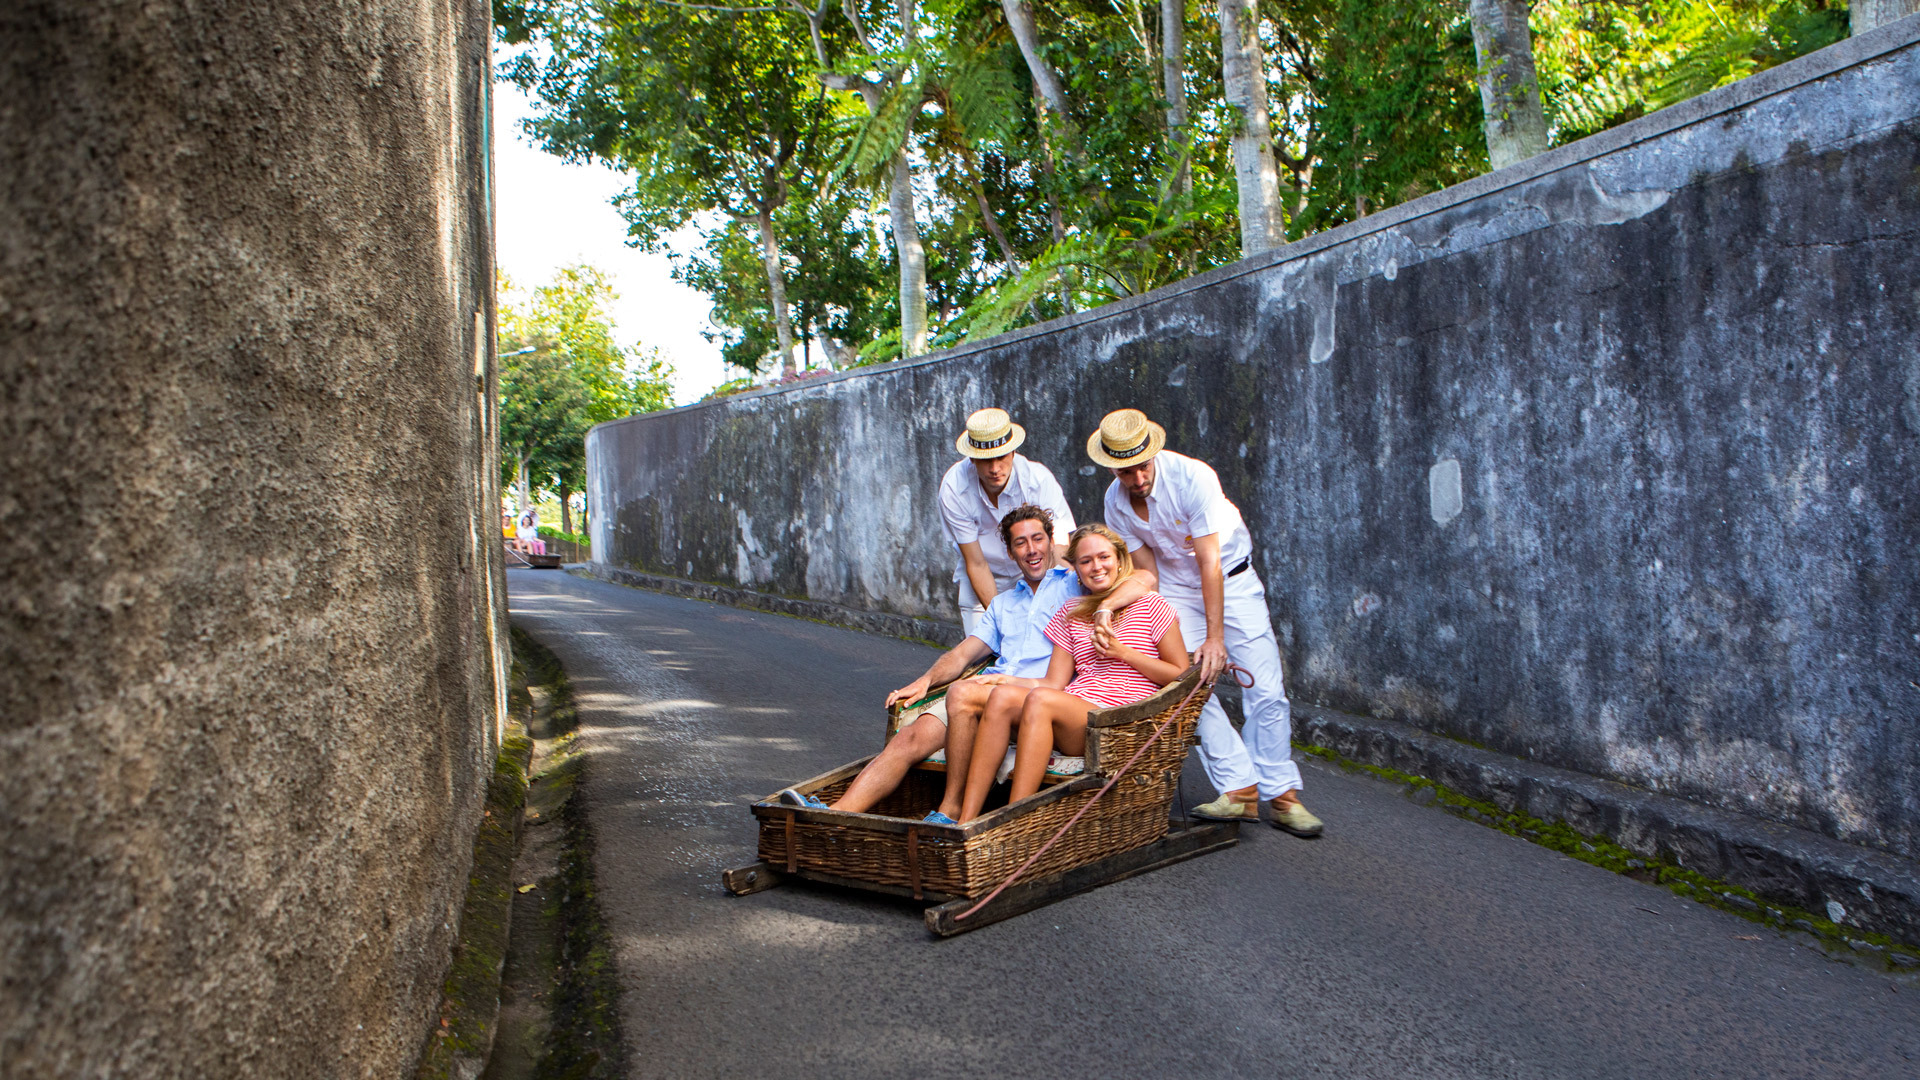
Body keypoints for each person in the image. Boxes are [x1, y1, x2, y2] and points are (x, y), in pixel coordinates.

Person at [778, 506, 1154, 823]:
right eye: (1020, 543)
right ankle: (833, 816)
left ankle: (952, 809)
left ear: (1051, 542)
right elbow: (962, 655)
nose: (1031, 549)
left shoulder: (1074, 585)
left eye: (1038, 539)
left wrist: (1104, 607)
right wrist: (925, 681)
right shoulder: (1004, 603)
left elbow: (1142, 577)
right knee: (909, 737)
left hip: (1031, 696)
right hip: (985, 692)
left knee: (961, 693)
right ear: (1010, 552)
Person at [1088, 408, 1324, 837]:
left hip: (1230, 580)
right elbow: (1148, 575)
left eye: (1141, 466)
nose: (1137, 479)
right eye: (1125, 471)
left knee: (1266, 688)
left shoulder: (1193, 477)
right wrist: (1107, 606)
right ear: (1111, 466)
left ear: (1152, 452)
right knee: (1184, 683)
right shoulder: (1114, 503)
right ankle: (1239, 788)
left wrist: (1215, 638)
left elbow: (1209, 562)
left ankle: (1284, 797)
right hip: (1176, 592)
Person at [954, 524, 1190, 821]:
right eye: (1085, 561)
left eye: (1103, 557)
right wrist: (1007, 680)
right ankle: (966, 821)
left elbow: (1181, 675)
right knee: (1001, 696)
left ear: (1119, 559)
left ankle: (1013, 821)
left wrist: (1123, 653)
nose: (1096, 566)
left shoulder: (1152, 605)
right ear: (1076, 570)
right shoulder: (1072, 610)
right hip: (1074, 715)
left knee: (1040, 700)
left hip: (1120, 720)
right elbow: (1054, 682)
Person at [940, 408, 1076, 636]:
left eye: (1001, 457)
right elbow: (976, 563)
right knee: (985, 655)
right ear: (972, 458)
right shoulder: (954, 487)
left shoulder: (1038, 480)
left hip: (1035, 570)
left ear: (1013, 452)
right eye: (985, 460)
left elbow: (1059, 547)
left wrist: (1066, 597)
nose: (994, 469)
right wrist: (1002, 622)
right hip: (982, 575)